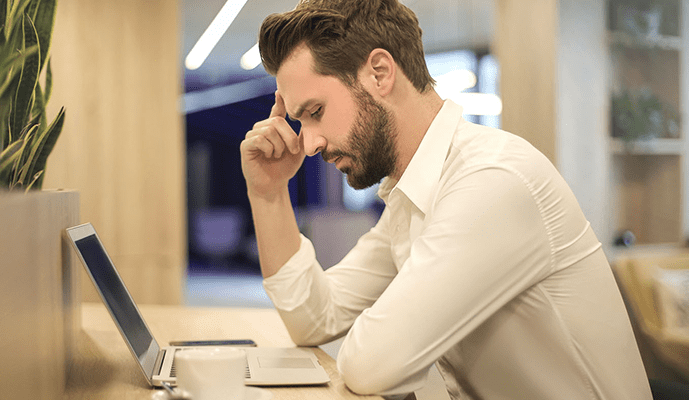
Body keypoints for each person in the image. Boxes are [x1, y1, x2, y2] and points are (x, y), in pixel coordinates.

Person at [239, 0, 652, 399]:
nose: (308, 143)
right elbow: (314, 318)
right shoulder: (412, 197)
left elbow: (373, 364)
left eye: (316, 111)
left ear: (380, 73)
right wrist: (269, 192)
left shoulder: (492, 181)